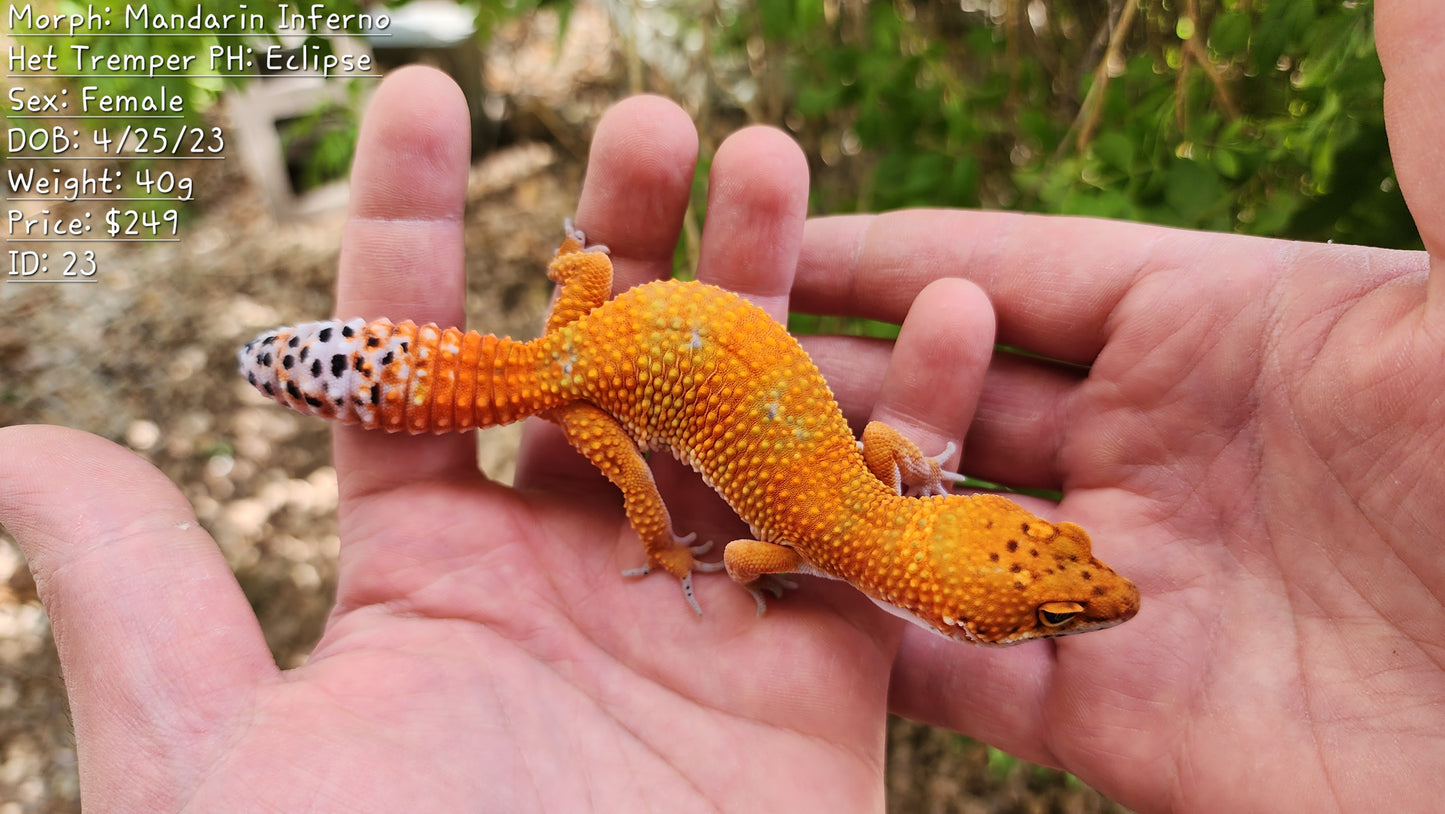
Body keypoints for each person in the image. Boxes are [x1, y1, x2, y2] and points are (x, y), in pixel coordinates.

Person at [3, 5, 1443, 811]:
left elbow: (873, 457)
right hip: (604, 379)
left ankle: (541, 291)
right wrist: (678, 542)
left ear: (984, 553)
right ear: (952, 607)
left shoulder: (875, 498)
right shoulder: (820, 544)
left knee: (569, 350)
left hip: (619, 327)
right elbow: (760, 552)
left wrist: (869, 480)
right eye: (1060, 597)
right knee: (626, 474)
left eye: (1055, 590)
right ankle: (516, 371)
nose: (1078, 593)